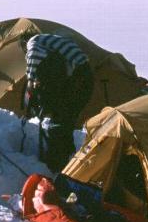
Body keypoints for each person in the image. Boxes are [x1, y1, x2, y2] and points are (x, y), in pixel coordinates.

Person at [20, 33, 95, 171]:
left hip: (80, 79)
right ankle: (70, 159)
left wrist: (30, 80)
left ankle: (57, 164)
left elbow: (34, 58)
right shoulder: (49, 41)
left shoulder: (33, 41)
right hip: (83, 78)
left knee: (60, 122)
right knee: (66, 121)